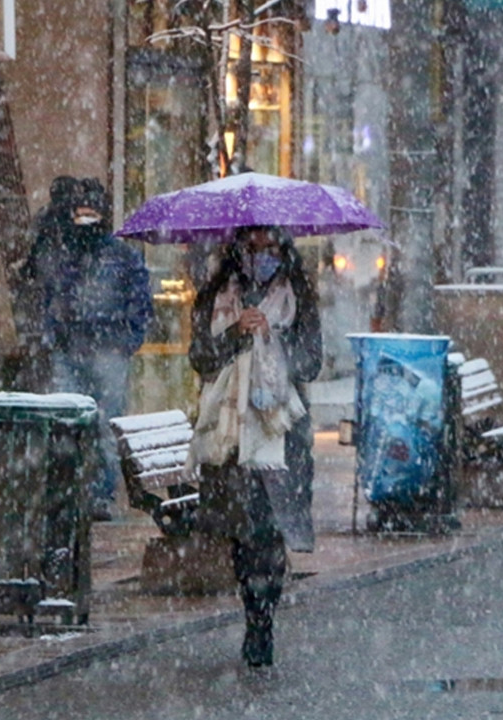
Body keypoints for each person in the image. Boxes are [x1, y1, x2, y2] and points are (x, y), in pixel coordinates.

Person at [188, 225, 322, 668]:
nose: (261, 256)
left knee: (270, 530)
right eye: (253, 248)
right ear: (238, 251)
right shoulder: (217, 295)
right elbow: (201, 357)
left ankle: (263, 620)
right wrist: (236, 334)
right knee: (244, 534)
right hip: (231, 430)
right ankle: (253, 608)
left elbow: (311, 361)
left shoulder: (296, 296)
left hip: (281, 429)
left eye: (270, 248)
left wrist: (272, 338)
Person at [18, 176, 153, 520]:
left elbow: (140, 301)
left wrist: (125, 340)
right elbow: (50, 294)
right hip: (72, 349)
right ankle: (71, 492)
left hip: (107, 352)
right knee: (68, 423)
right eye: (81, 213)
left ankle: (99, 495)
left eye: (92, 213)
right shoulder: (70, 254)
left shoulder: (120, 256)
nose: (86, 220)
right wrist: (55, 335)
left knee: (105, 427)